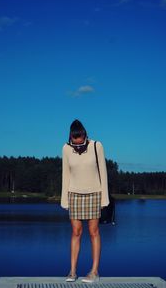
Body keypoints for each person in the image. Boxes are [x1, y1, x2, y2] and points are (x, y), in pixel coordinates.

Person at [61, 119, 109, 283]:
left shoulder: (97, 146)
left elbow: (103, 172)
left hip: (94, 193)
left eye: (80, 138)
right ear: (70, 137)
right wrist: (64, 200)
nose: (78, 143)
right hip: (74, 194)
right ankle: (72, 271)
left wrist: (105, 198)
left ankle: (94, 271)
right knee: (76, 232)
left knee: (93, 232)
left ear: (84, 134)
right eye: (75, 140)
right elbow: (65, 174)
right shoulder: (66, 149)